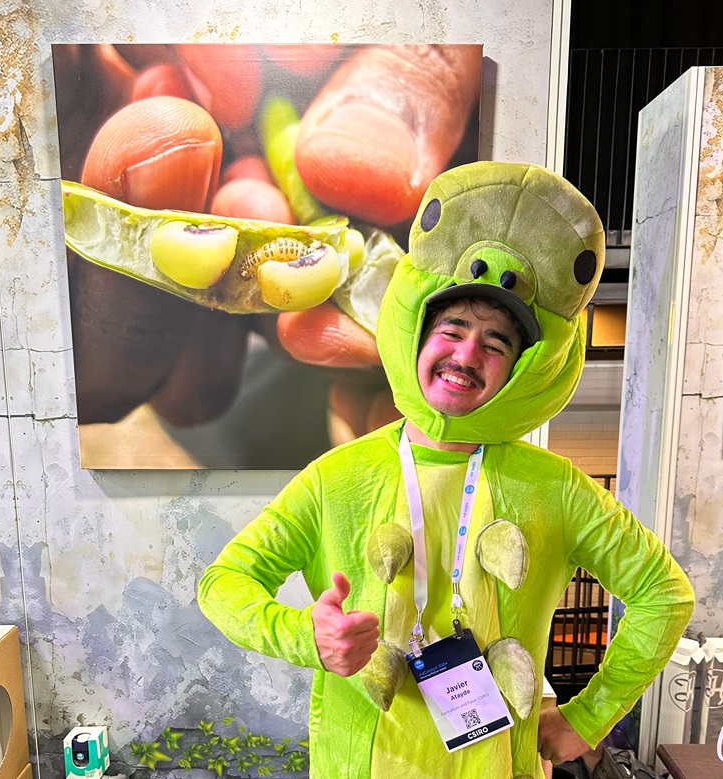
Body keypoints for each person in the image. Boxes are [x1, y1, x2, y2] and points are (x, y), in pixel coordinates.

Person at [198, 161, 694, 779]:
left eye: (496, 343)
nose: (467, 354)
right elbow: (223, 583)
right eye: (453, 328)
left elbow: (665, 594)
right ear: (417, 335)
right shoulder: (337, 476)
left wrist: (587, 718)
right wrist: (307, 635)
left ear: (521, 368)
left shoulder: (556, 487)